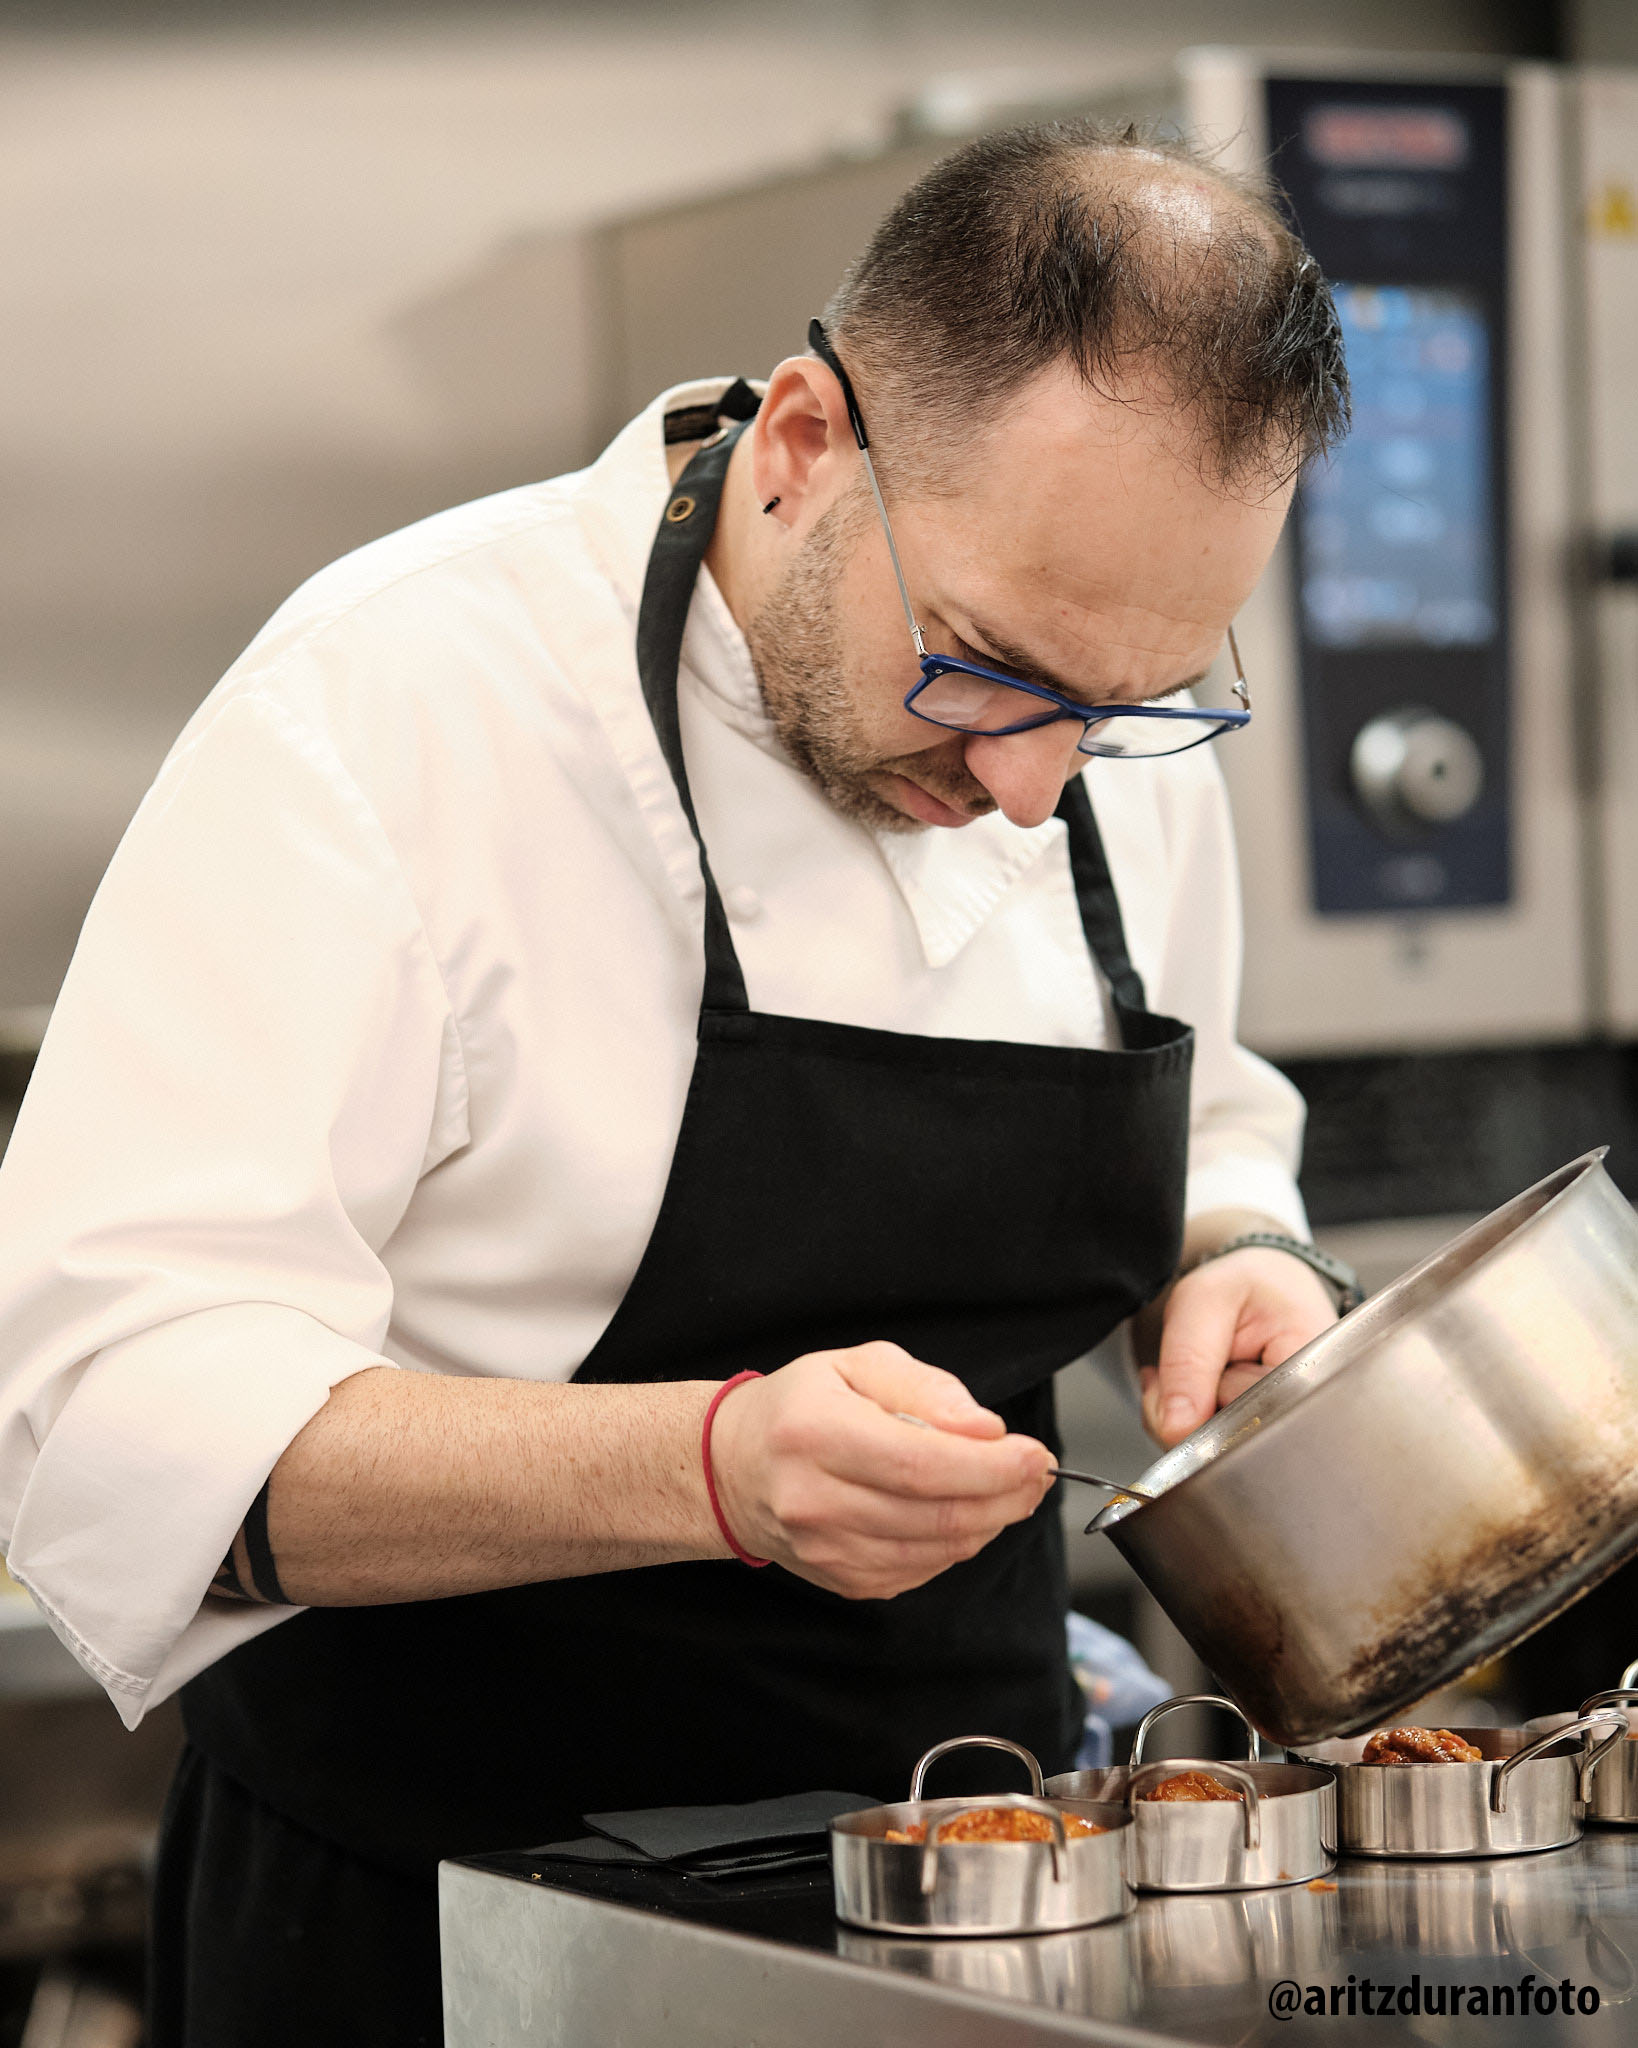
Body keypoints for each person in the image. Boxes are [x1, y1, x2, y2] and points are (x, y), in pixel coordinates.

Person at [0, 123, 1353, 2045]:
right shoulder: (393, 709)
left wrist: (1239, 1249)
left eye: (1123, 710)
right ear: (802, 442)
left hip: (977, 1907)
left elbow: (1207, 1107)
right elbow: (106, 1421)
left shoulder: (1082, 726)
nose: (1035, 790)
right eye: (981, 671)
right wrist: (707, 1469)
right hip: (439, 1933)